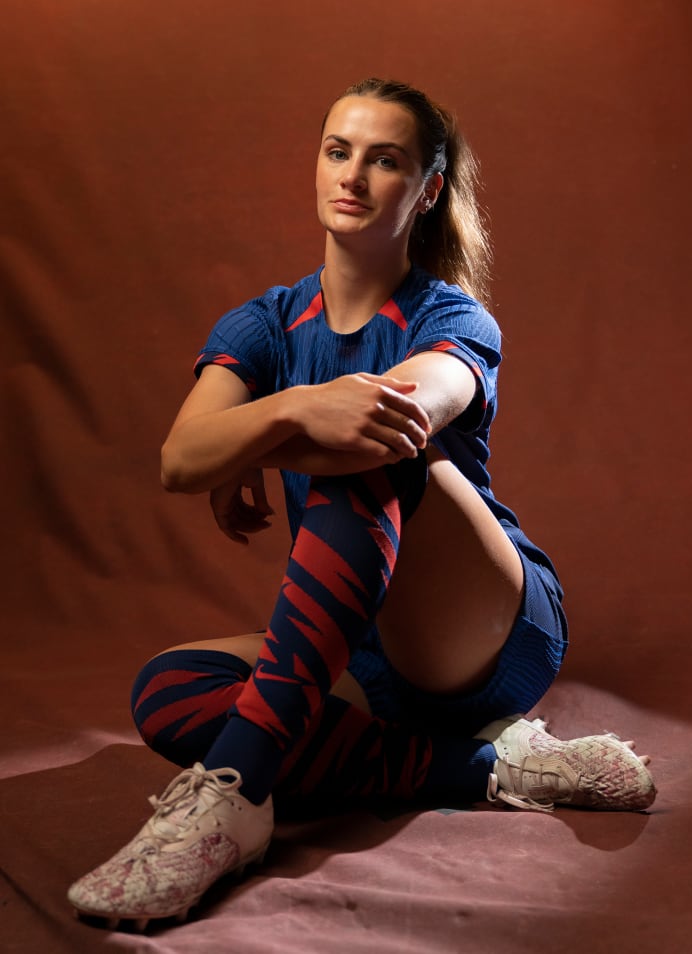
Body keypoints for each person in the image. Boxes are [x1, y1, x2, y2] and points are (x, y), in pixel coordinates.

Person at [68, 77, 656, 930]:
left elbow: (390, 428)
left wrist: (248, 441)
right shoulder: (263, 326)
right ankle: (487, 769)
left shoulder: (455, 317)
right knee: (169, 690)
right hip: (363, 647)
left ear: (427, 191)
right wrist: (292, 405)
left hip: (486, 630)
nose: (352, 175)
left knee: (374, 458)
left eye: (386, 161)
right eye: (338, 151)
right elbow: (177, 460)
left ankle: (233, 798)